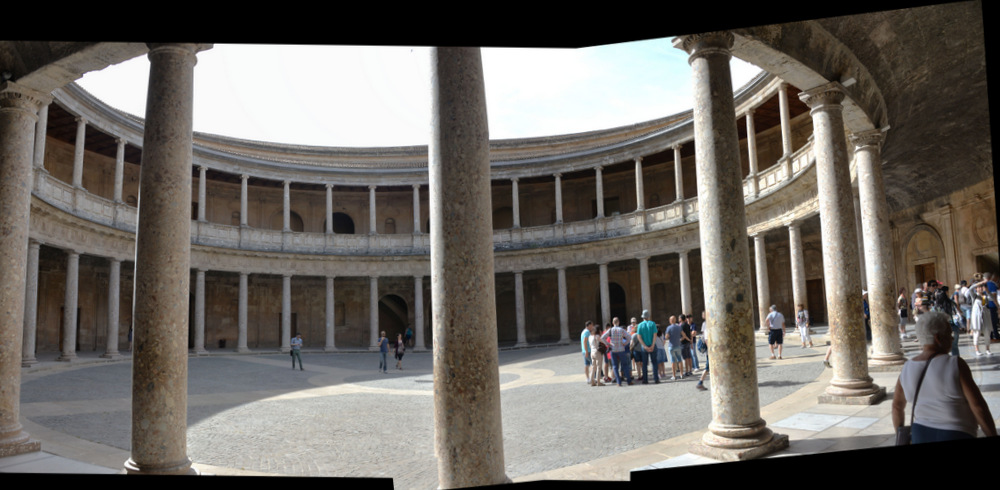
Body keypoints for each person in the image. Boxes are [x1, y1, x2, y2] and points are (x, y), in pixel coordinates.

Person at [891, 312, 997, 443]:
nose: (952, 338)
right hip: (956, 432)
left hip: (920, 434)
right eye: (949, 334)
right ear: (938, 338)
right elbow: (977, 406)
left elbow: (897, 406)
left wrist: (900, 434)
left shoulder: (907, 367)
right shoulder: (955, 364)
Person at [602, 317, 633, 386]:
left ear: (613, 323)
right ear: (618, 322)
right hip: (621, 349)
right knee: (625, 365)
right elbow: (629, 337)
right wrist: (625, 343)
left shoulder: (610, 330)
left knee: (615, 366)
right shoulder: (621, 330)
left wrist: (608, 344)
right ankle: (629, 381)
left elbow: (602, 337)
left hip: (613, 349)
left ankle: (618, 382)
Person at [635, 310, 660, 384]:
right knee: (654, 363)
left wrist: (644, 346)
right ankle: (656, 379)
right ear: (648, 316)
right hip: (652, 345)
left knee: (644, 364)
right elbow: (655, 335)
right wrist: (652, 345)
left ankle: (645, 380)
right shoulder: (653, 324)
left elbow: (639, 337)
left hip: (644, 347)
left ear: (642, 317)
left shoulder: (640, 325)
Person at [969, 284, 992, 356]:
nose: (981, 288)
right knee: (977, 333)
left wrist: (987, 290)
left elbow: (991, 298)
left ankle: (987, 349)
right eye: (979, 287)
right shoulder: (974, 296)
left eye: (982, 287)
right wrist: (981, 282)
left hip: (985, 315)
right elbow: (970, 289)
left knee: (987, 333)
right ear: (976, 288)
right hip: (977, 316)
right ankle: (977, 350)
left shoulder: (985, 296)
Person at [665, 315, 688, 380]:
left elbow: (666, 337)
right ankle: (681, 374)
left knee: (673, 361)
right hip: (678, 345)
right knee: (679, 360)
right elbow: (684, 335)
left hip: (671, 345)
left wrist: (669, 337)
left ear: (670, 321)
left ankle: (674, 375)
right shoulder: (679, 327)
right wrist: (680, 339)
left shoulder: (668, 328)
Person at [581, 321, 594, 385]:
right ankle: (591, 378)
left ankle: (588, 379)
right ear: (588, 326)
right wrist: (586, 351)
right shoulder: (587, 332)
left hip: (584, 351)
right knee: (592, 364)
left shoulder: (583, 331)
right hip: (588, 351)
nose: (592, 327)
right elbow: (585, 341)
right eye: (592, 325)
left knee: (586, 365)